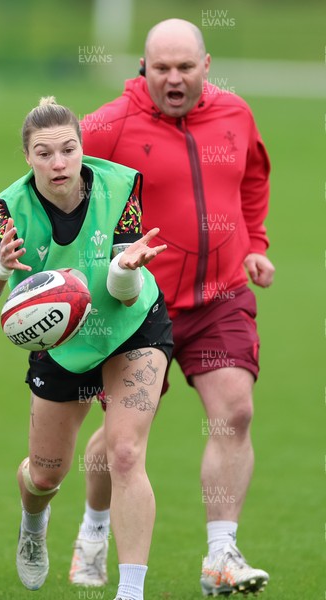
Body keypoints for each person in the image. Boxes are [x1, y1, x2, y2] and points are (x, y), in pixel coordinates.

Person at [69, 18, 275, 597]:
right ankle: (94, 527)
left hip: (220, 296)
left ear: (207, 66)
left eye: (186, 67)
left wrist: (255, 243)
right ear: (143, 67)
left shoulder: (235, 114)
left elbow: (254, 176)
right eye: (162, 68)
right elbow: (59, 182)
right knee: (121, 442)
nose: (174, 78)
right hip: (140, 307)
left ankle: (221, 556)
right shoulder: (109, 125)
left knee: (234, 413)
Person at [0, 96, 173, 600]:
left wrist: (127, 272)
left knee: (126, 452)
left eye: (68, 149)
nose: (58, 163)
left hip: (131, 325)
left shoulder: (119, 185)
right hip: (61, 343)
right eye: (44, 153)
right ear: (27, 157)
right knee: (44, 474)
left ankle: (130, 592)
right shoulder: (8, 209)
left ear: (82, 147)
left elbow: (124, 284)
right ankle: (35, 524)